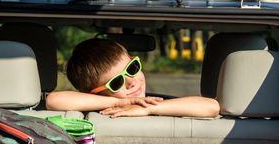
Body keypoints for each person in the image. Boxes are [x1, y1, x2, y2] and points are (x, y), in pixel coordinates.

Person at [46, 38, 219, 118]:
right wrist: (118, 103)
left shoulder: (161, 105)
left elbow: (211, 106)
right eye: (116, 82)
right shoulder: (101, 111)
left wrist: (149, 109)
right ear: (93, 94)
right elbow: (54, 100)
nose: (131, 81)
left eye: (132, 68)